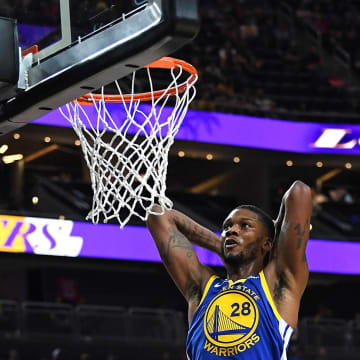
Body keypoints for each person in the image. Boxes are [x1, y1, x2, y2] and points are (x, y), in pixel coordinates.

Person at [147, 180, 312, 359]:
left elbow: (299, 192)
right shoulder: (203, 287)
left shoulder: (277, 282)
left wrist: (274, 238)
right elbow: (158, 215)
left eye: (245, 226)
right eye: (227, 227)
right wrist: (222, 246)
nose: (232, 230)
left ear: (266, 243)